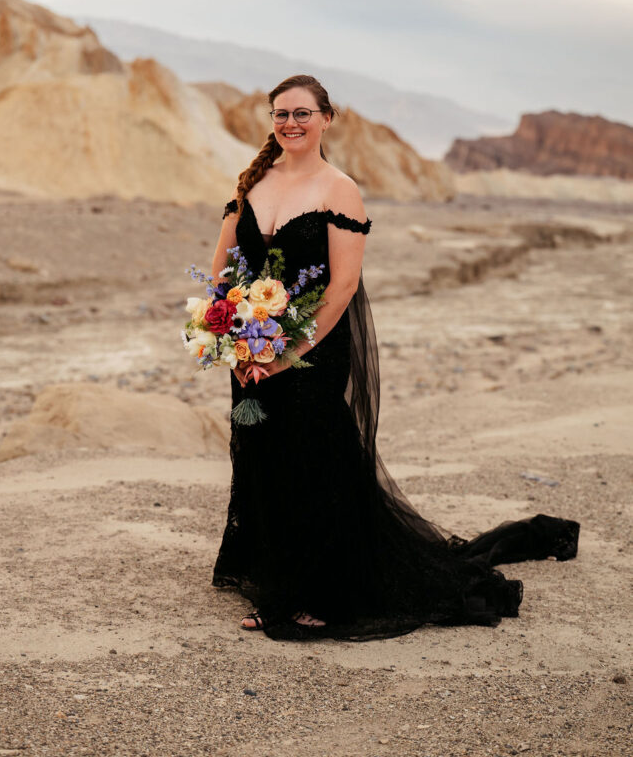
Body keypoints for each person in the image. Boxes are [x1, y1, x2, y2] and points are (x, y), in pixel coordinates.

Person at [209, 74, 579, 641]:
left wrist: (286, 354)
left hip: (312, 354)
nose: (291, 124)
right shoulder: (252, 184)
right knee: (263, 460)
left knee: (316, 464)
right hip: (251, 354)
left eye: (303, 114)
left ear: (327, 119)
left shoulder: (341, 189)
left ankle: (323, 594)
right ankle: (276, 584)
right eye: (282, 114)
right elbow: (223, 270)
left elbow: (341, 287)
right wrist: (234, 339)